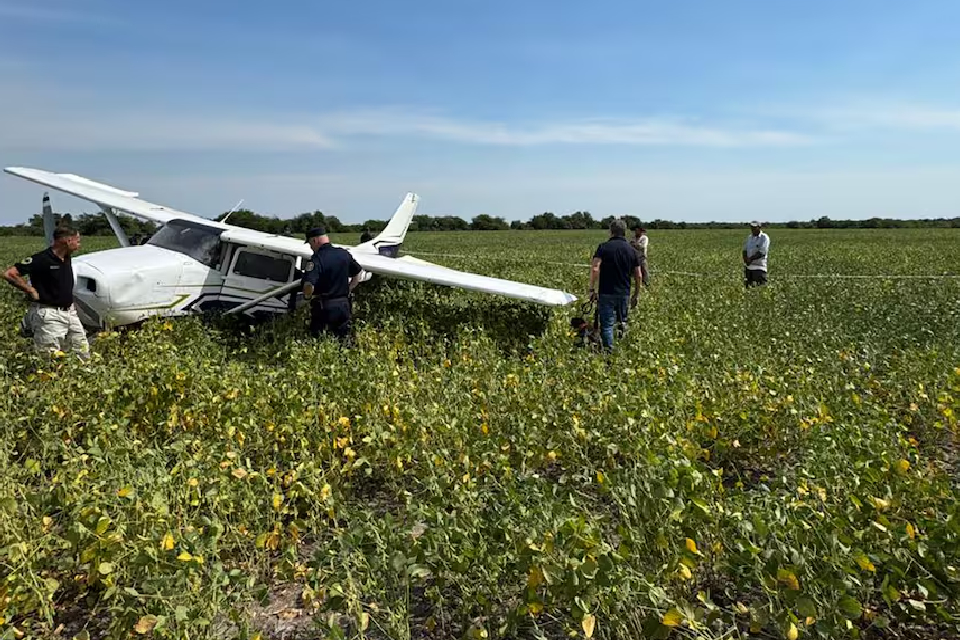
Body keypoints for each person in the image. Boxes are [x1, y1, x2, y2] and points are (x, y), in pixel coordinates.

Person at [2, 225, 89, 357]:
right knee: (49, 356)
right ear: (68, 241)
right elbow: (9, 274)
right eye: (77, 241)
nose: (79, 244)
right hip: (49, 314)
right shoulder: (41, 259)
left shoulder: (66, 257)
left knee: (82, 351)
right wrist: (30, 290)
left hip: (70, 313)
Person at [302, 226, 364, 343]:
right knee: (343, 340)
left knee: (318, 341)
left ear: (315, 240)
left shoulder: (316, 259)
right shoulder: (344, 254)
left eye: (310, 244)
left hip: (324, 307)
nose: (311, 247)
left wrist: (307, 297)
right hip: (344, 305)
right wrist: (349, 288)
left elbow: (309, 284)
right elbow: (358, 273)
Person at [588, 219, 643, 351]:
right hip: (624, 292)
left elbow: (595, 269)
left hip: (606, 292)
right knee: (622, 322)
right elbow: (639, 275)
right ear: (624, 232)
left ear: (611, 231)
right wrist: (636, 295)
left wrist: (591, 289)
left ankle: (609, 352)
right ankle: (621, 350)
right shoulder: (632, 250)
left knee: (607, 324)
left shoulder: (603, 247)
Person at [742, 221, 770, 288]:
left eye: (755, 227)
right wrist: (745, 259)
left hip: (759, 268)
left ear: (759, 227)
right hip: (749, 268)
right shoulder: (749, 237)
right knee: (748, 288)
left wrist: (750, 259)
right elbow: (744, 250)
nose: (752, 229)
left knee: (761, 288)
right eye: (752, 227)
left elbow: (762, 252)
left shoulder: (764, 237)